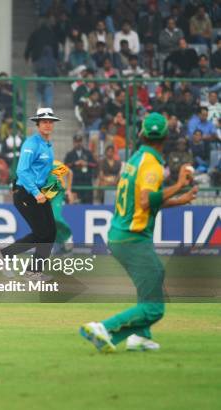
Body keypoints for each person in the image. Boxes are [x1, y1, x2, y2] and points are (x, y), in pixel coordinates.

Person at [80, 113, 198, 353]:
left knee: (156, 274)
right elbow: (146, 201)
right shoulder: (152, 163)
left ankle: (140, 337)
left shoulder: (135, 158)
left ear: (142, 134)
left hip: (122, 234)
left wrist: (179, 199)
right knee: (155, 307)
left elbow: (144, 201)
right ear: (166, 137)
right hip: (133, 236)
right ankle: (103, 327)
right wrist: (177, 185)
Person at [0, 108, 61, 280]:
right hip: (26, 193)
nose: (48, 124)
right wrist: (35, 192)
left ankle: (33, 271)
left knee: (51, 232)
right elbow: (22, 171)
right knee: (41, 233)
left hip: (39, 193)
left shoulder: (48, 145)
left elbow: (43, 172)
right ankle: (4, 255)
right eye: (44, 122)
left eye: (50, 122)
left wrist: (53, 184)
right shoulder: (31, 143)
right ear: (38, 124)